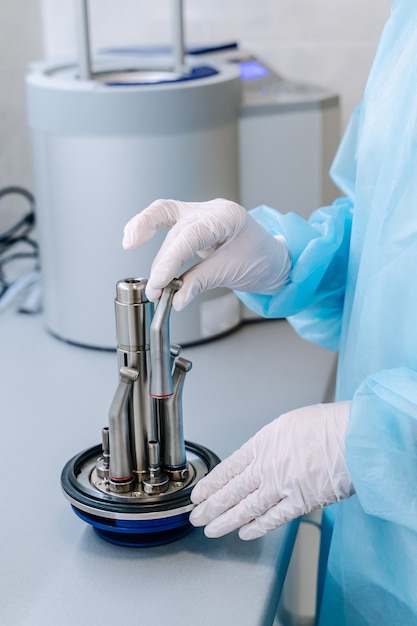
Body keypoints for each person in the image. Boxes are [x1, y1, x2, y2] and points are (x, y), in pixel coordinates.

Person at [122, 2, 417, 623]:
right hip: (375, 555)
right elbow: (387, 245)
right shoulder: (407, 26)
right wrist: (282, 259)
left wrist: (384, 437)